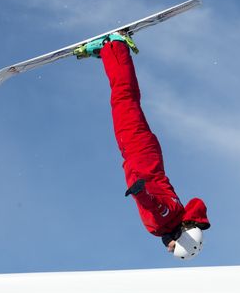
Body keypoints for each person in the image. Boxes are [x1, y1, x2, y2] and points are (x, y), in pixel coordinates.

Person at [74, 33, 210, 260]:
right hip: (137, 150)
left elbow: (179, 209)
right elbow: (155, 206)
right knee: (123, 97)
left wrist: (168, 233)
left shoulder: (178, 215)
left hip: (147, 152)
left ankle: (113, 54)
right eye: (174, 248)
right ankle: (113, 46)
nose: (168, 248)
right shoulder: (165, 220)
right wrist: (140, 192)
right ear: (181, 238)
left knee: (129, 98)